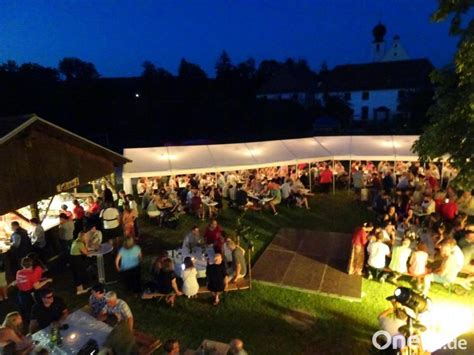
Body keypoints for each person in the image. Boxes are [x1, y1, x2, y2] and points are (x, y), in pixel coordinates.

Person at [15, 257, 52, 323]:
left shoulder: (18, 272)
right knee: (32, 308)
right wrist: (47, 280)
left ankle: (26, 321)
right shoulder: (31, 274)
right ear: (31, 265)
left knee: (25, 309)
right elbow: (37, 287)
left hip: (20, 293)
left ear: (22, 265)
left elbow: (27, 280)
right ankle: (35, 321)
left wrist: (41, 279)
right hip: (28, 294)